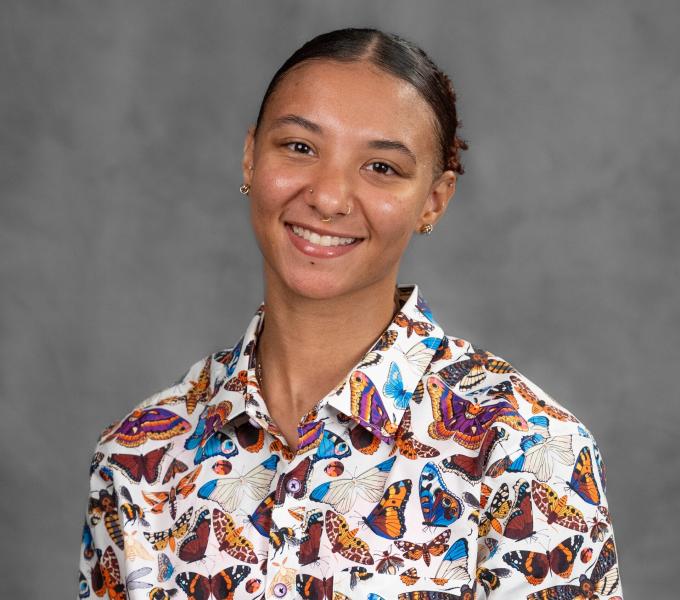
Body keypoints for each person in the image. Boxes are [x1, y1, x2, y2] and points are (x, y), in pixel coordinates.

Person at [77, 27, 623, 600]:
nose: (329, 197)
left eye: (382, 167)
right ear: (249, 157)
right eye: (300, 147)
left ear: (434, 200)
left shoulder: (526, 452)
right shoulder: (139, 457)